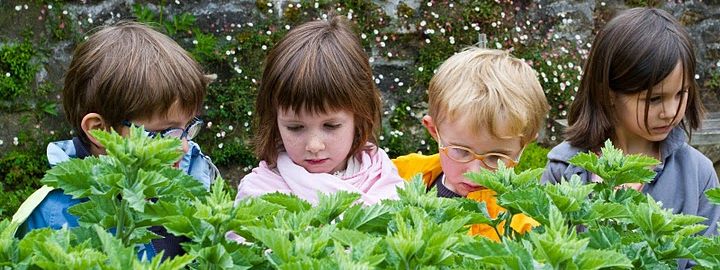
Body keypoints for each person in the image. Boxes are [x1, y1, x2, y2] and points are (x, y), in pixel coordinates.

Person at [11, 21, 219, 260]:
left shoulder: (195, 180)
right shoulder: (53, 218)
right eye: (162, 133)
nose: (182, 146)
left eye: (188, 128)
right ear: (99, 130)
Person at [542, 7, 719, 247]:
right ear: (609, 93)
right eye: (654, 99)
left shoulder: (699, 174)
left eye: (681, 93)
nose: (670, 111)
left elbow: (707, 257)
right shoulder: (564, 169)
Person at [234, 16, 404, 205]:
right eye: (295, 127)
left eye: (331, 125)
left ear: (360, 117)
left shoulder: (383, 181)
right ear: (274, 121)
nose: (314, 146)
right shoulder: (259, 192)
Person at [392, 47, 550, 241]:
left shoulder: (521, 227)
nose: (475, 172)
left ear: (525, 143)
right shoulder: (396, 175)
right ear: (434, 130)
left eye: (495, 157)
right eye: (461, 151)